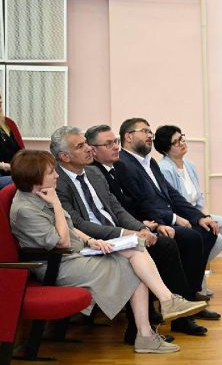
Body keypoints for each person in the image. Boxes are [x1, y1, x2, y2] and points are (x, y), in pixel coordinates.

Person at [9, 150, 208, 354]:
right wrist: (57, 204)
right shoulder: (26, 209)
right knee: (133, 267)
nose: (57, 175)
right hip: (59, 264)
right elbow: (62, 241)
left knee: (135, 247)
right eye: (51, 172)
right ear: (35, 177)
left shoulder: (42, 194)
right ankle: (148, 331)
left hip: (77, 253)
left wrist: (91, 240)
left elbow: (70, 227)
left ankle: (163, 306)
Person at [51, 125, 198, 343]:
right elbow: (78, 223)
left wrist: (141, 229)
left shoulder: (93, 173)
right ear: (64, 156)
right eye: (81, 146)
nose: (89, 149)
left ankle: (179, 315)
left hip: (116, 234)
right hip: (94, 240)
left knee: (164, 245)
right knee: (139, 253)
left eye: (87, 144)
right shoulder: (57, 181)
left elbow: (117, 209)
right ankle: (142, 325)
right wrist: (124, 233)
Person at [85, 122, 219, 335]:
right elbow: (132, 205)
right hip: (128, 228)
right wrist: (150, 225)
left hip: (142, 223)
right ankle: (175, 312)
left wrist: (198, 216)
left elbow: (166, 195)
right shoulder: (106, 169)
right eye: (109, 143)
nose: (115, 146)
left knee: (201, 233)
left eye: (115, 142)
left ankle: (187, 302)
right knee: (178, 241)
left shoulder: (132, 165)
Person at [154, 125, 222, 293]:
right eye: (176, 142)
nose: (182, 143)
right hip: (181, 218)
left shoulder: (189, 165)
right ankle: (195, 277)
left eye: (182, 138)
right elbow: (174, 204)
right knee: (218, 238)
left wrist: (207, 216)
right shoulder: (164, 169)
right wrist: (201, 219)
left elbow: (199, 198)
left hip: (195, 213)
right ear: (166, 149)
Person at [0, 94, 24, 189]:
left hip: (15, 171)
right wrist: (5, 166)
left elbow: (22, 151)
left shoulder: (9, 123)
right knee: (20, 182)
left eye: (0, 103)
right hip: (5, 174)